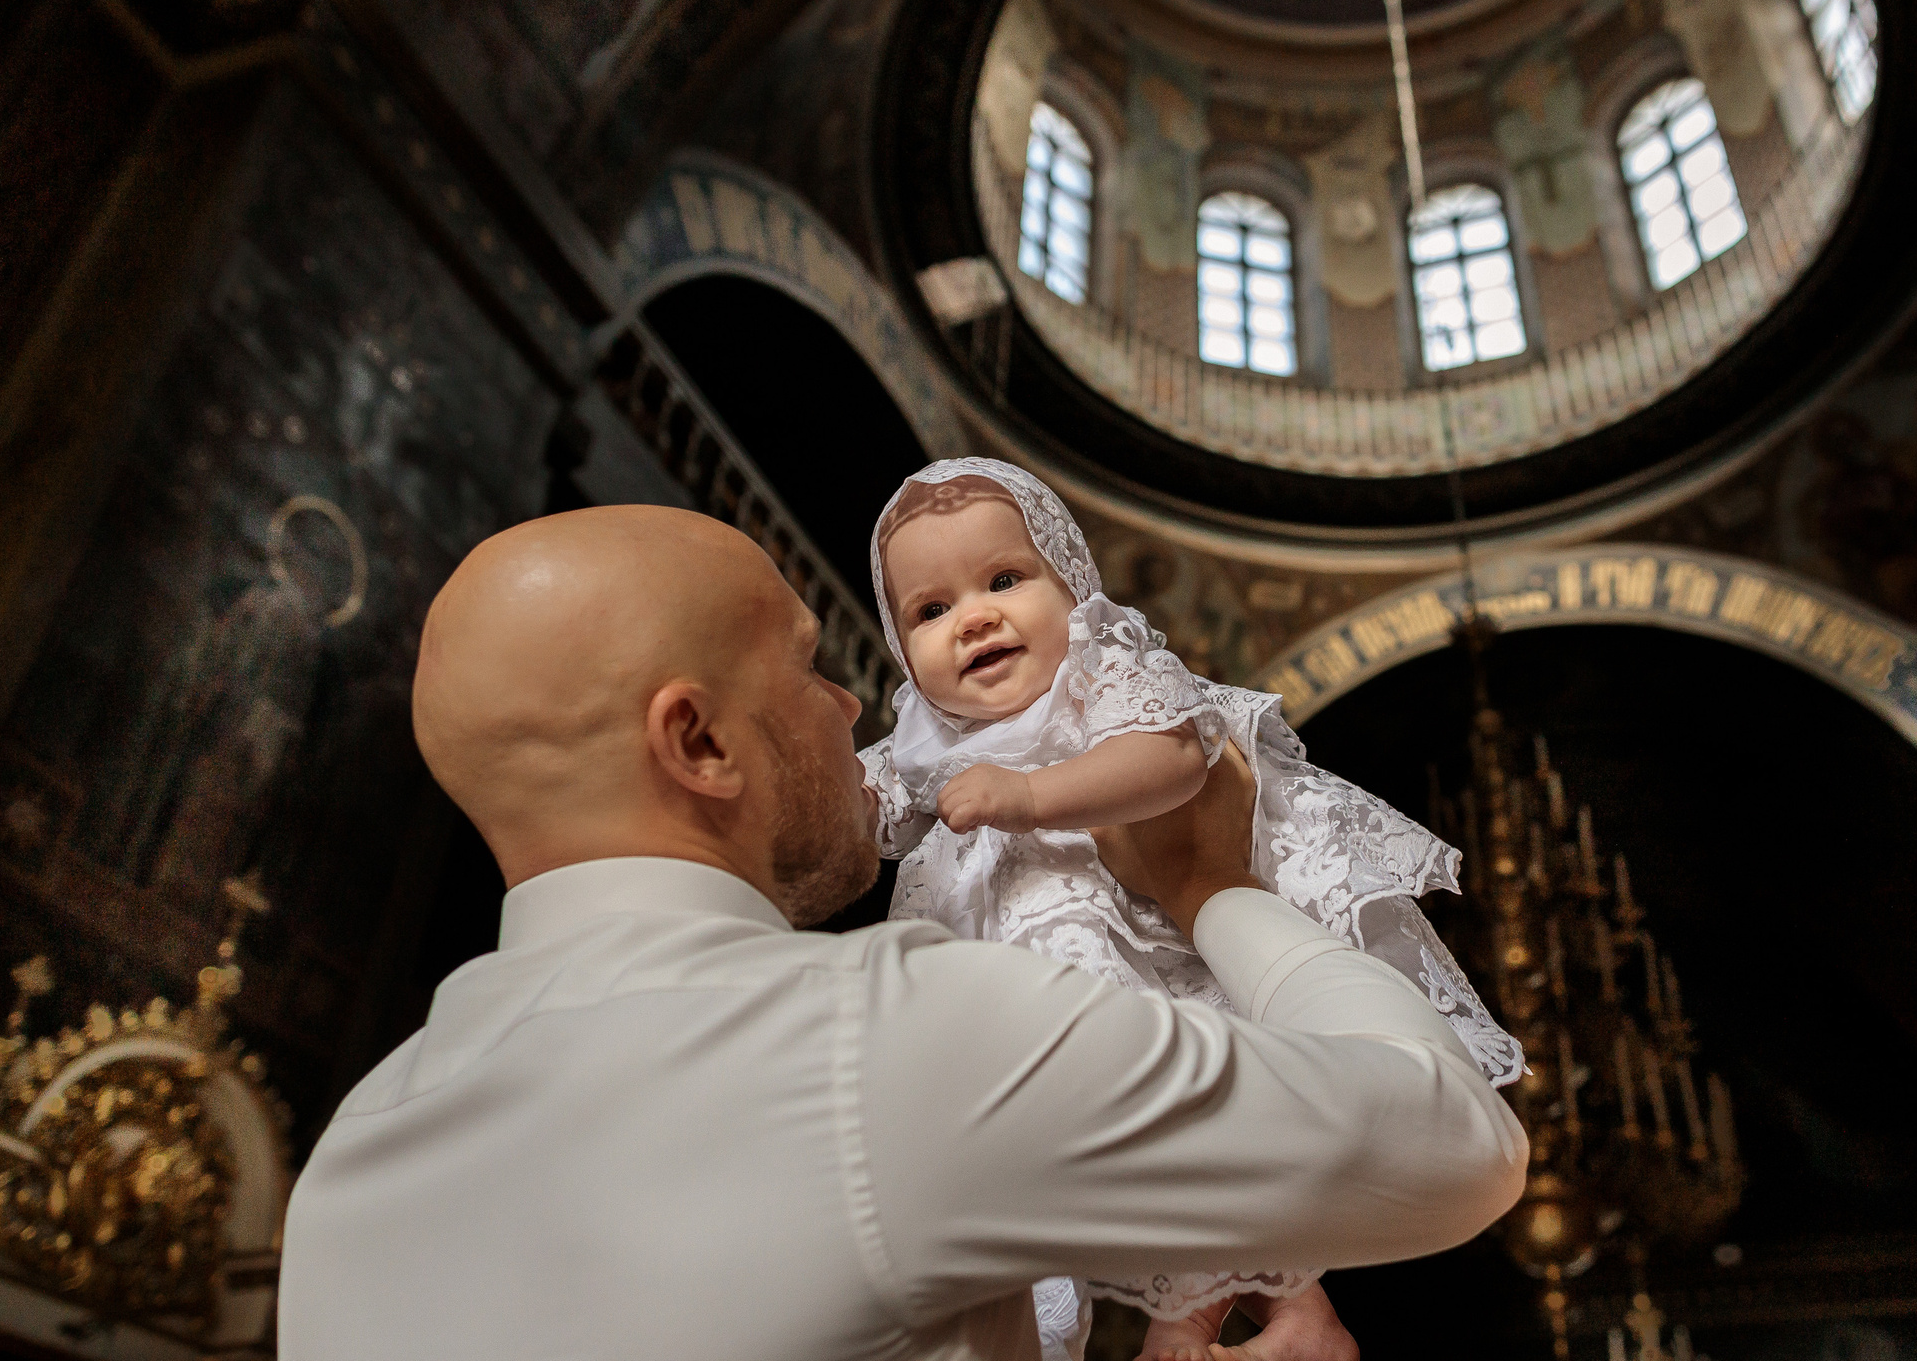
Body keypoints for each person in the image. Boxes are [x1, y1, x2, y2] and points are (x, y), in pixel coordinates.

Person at [277, 504, 1527, 1361]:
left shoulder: (346, 1169)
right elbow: (1452, 1138)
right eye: (808, 670)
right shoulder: (891, 1033)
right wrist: (1213, 889)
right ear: (699, 742)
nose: (848, 706)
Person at [861, 459, 1521, 1359]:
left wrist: (1030, 795)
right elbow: (856, 812)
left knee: (1173, 1123)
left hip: (1124, 955)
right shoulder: (920, 738)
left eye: (1004, 580)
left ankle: (1259, 1313)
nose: (972, 618)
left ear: (1074, 588)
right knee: (1034, 1159)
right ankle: (1096, 1321)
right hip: (992, 1001)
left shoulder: (1103, 669)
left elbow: (1170, 760)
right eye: (930, 610)